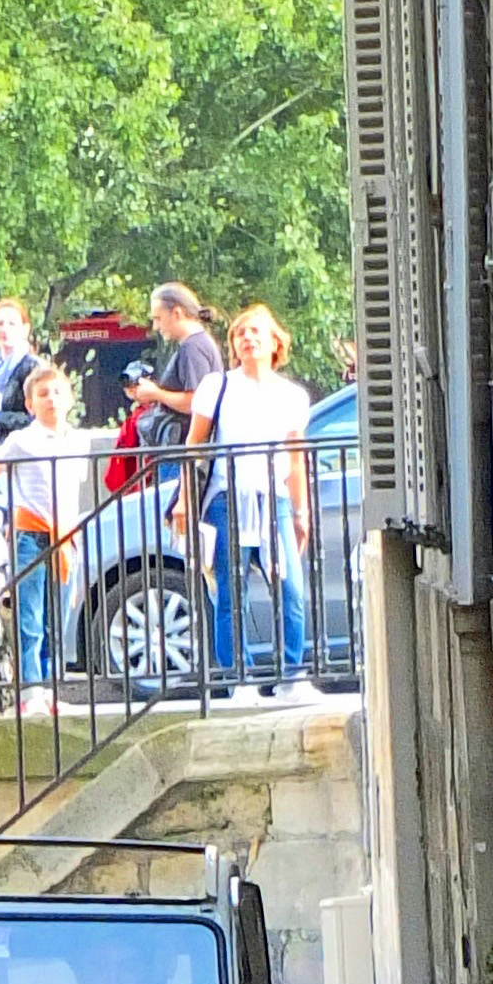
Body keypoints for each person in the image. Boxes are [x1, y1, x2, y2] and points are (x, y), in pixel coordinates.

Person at [169, 302, 310, 687]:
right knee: (230, 593)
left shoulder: (292, 395)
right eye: (240, 334)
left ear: (274, 343)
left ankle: (292, 675)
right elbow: (193, 446)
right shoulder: (218, 385)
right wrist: (184, 499)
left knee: (291, 589)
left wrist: (302, 511)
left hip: (274, 498)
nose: (248, 339)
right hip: (226, 497)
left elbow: (295, 459)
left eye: (255, 333)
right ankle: (239, 677)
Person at [0, 360, 88, 717]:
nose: (52, 400)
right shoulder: (22, 440)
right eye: (43, 394)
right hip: (31, 533)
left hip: (66, 535)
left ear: (70, 398)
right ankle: (31, 691)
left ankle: (54, 688)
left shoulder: (79, 441)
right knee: (29, 617)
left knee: (56, 617)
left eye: (58, 392)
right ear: (30, 404)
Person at [131, 283, 224, 445]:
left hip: (183, 449)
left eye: (158, 319)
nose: (155, 327)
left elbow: (195, 403)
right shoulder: (198, 344)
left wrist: (156, 393)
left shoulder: (193, 348)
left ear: (177, 313)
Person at [0, 298, 43, 441]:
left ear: (25, 329)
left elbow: (36, 418)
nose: (5, 329)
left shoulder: (33, 367)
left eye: (12, 324)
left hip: (24, 449)